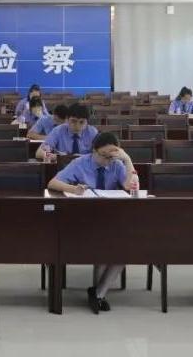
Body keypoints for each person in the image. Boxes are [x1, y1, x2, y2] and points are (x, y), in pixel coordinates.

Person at [46, 132, 136, 313]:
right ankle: (99, 295)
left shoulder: (117, 164)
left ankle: (98, 293)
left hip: (110, 221)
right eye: (104, 156)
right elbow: (52, 183)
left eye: (112, 156)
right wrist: (74, 189)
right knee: (103, 246)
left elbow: (129, 186)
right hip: (84, 222)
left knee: (126, 249)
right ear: (94, 150)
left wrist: (127, 160)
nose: (108, 160)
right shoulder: (80, 163)